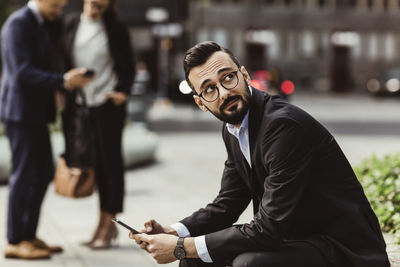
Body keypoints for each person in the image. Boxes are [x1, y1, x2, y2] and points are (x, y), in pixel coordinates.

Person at [130, 41, 390, 267]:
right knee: (195, 257)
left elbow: (268, 229)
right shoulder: (234, 127)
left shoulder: (282, 126)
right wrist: (173, 232)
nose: (224, 92)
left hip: (344, 247)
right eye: (209, 89)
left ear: (243, 74)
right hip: (299, 238)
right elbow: (228, 202)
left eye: (228, 78)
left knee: (248, 263)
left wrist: (180, 247)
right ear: (200, 103)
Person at [0, 0, 93, 260]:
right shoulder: (17, 24)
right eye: (55, 5)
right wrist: (62, 81)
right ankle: (15, 240)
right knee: (24, 175)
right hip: (19, 113)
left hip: (37, 114)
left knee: (42, 174)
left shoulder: (45, 24)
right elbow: (22, 71)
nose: (59, 10)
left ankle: (28, 235)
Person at [61, 0, 135, 249]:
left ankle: (108, 223)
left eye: (102, 7)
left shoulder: (115, 28)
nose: (96, 10)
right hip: (80, 106)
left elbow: (128, 65)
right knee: (91, 163)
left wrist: (122, 92)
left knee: (110, 165)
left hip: (107, 105)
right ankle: (100, 223)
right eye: (94, 4)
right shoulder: (70, 24)